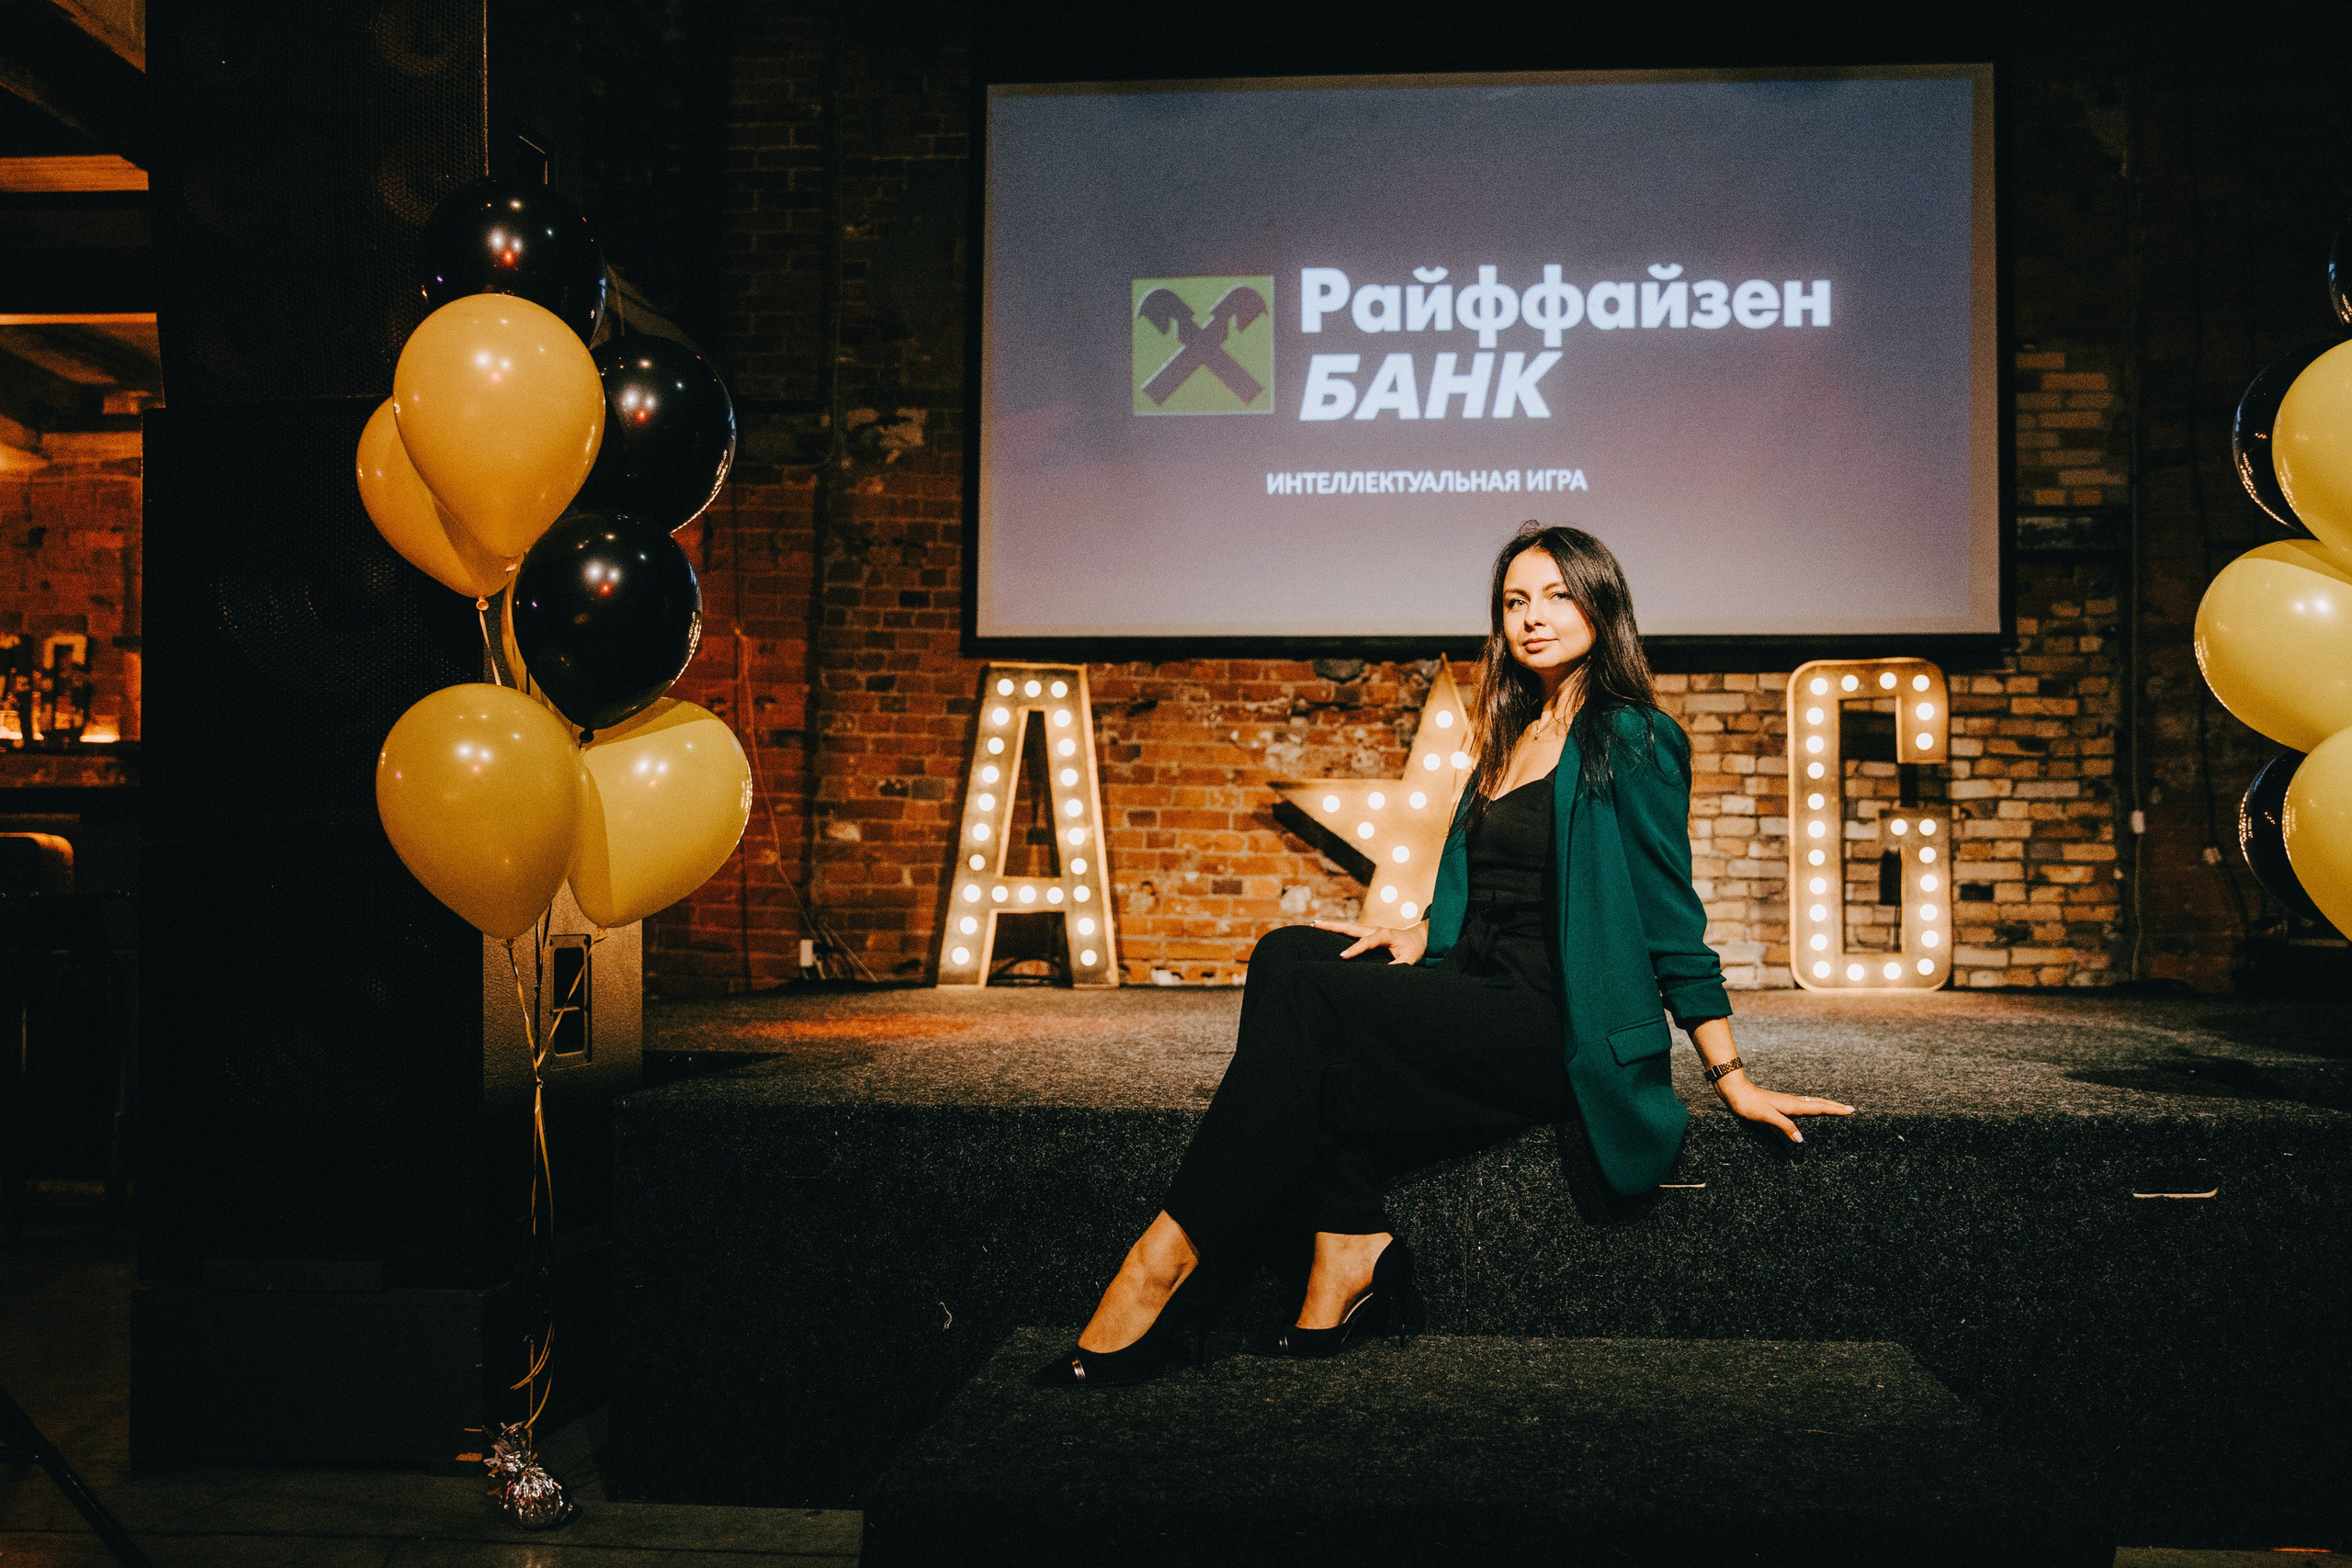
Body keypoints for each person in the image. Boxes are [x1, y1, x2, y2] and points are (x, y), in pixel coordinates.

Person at [1033, 524, 1855, 1387]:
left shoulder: (1633, 736)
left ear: (1601, 605)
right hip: (1475, 975)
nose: (1533, 618)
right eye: (1515, 601)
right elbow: (1492, 878)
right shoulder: (1512, 731)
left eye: (1557, 596)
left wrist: (1730, 1075)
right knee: (1286, 956)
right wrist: (1421, 930)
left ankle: (1160, 1265)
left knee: (1314, 1003)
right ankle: (1348, 1239)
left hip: (1552, 1019)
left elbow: (1669, 915)